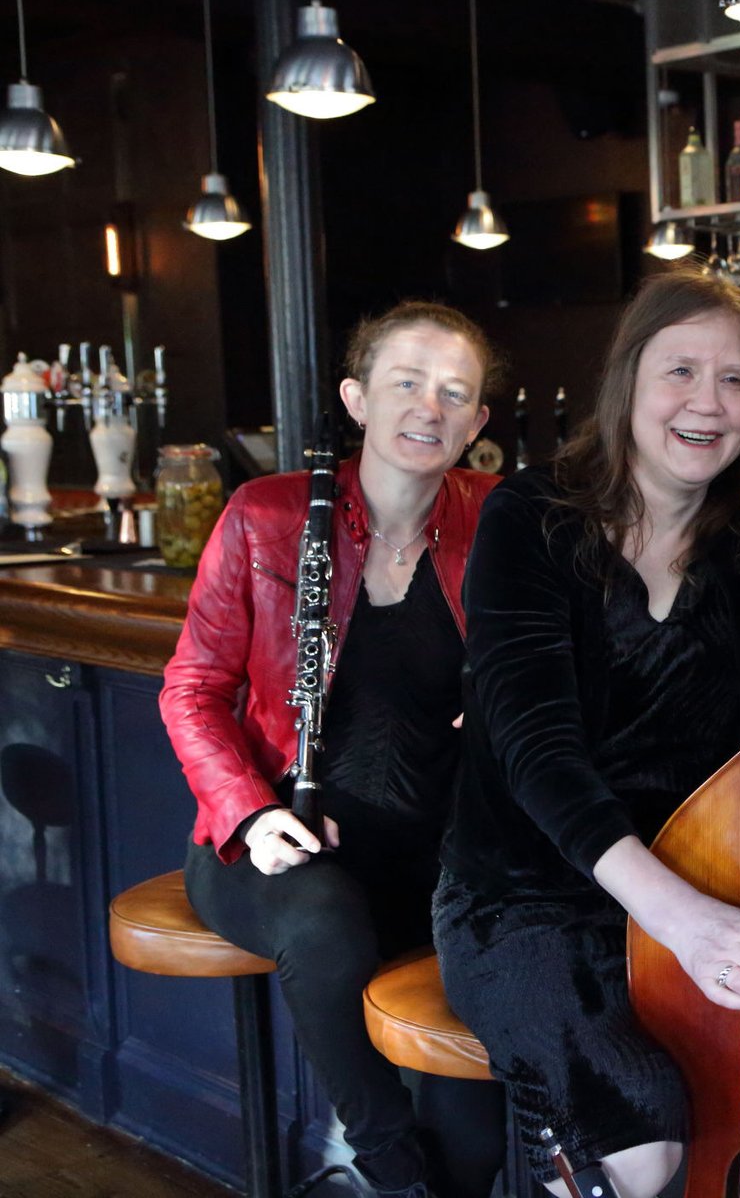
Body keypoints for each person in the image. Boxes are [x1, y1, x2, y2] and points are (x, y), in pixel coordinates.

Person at [433, 269, 740, 1197]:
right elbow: (537, 752)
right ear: (628, 383)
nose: (707, 403)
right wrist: (682, 922)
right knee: (645, 1137)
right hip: (532, 897)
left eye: (734, 379)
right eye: (680, 372)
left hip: (709, 880)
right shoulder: (529, 519)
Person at [160, 303, 508, 1198]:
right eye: (405, 382)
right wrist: (254, 812)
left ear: (477, 424)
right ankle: (391, 1168)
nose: (428, 407)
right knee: (324, 927)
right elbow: (192, 689)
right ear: (357, 398)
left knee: (472, 1119)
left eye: (454, 392)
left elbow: (553, 670)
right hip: (280, 845)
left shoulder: (503, 521)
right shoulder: (265, 515)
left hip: (435, 854)